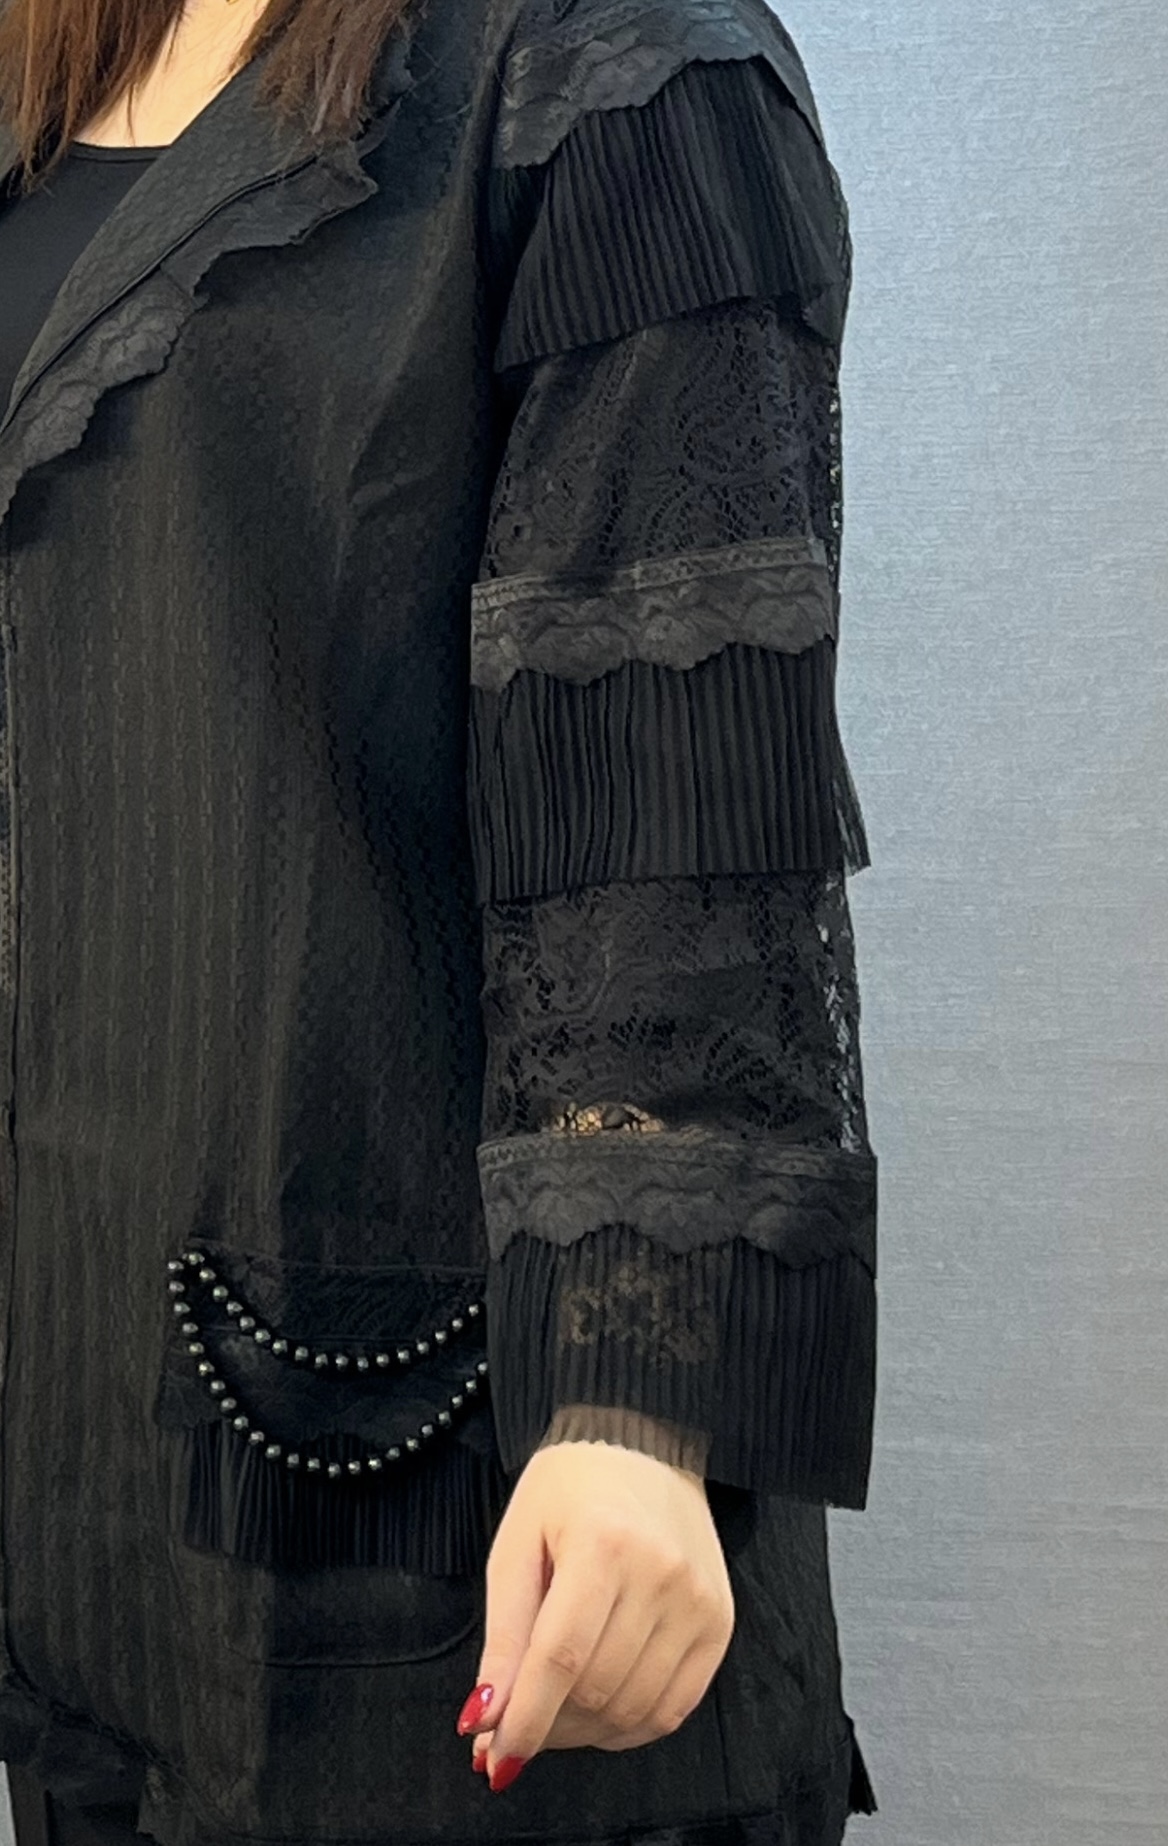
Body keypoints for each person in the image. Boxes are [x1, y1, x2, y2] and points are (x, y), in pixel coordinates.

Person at [0, 0, 880, 1841]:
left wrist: (639, 1400)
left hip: (429, 1502)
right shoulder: (45, 73)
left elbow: (670, 783)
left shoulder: (603, 59)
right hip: (84, 1505)